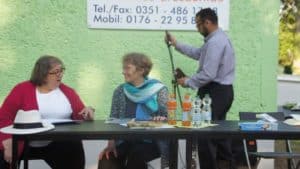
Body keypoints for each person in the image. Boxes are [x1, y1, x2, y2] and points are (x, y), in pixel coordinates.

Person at [165, 8, 235, 169]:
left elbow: (209, 74)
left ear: (208, 22)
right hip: (221, 92)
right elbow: (198, 53)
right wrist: (176, 43)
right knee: (219, 136)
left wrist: (188, 82)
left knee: (205, 136)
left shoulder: (216, 42)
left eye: (198, 24)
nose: (197, 28)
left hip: (214, 92)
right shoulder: (216, 39)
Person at [0, 55, 95, 169]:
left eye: (61, 70)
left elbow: (81, 116)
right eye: (55, 72)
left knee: (73, 146)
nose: (60, 74)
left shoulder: (68, 92)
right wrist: (7, 140)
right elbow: (4, 117)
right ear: (43, 74)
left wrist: (88, 112)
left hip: (57, 143)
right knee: (3, 157)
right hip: (25, 143)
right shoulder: (22, 89)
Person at [99, 52, 169, 169]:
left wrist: (161, 119)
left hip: (151, 142)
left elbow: (168, 117)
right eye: (123, 68)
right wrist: (111, 144)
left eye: (127, 68)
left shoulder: (159, 90)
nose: (123, 72)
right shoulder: (120, 91)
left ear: (141, 70)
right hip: (124, 141)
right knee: (106, 160)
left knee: (136, 158)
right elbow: (113, 119)